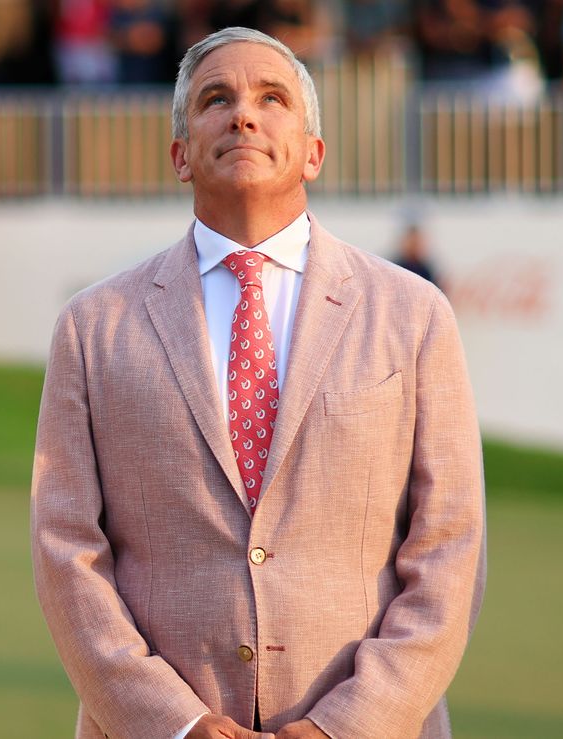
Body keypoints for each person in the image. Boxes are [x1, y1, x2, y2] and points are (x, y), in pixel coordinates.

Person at [31, 27, 485, 739]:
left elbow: (450, 549)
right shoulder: (93, 328)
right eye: (217, 99)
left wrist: (346, 724)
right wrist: (174, 723)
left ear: (314, 152)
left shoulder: (413, 315)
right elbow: (65, 553)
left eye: (272, 98)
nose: (244, 114)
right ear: (181, 154)